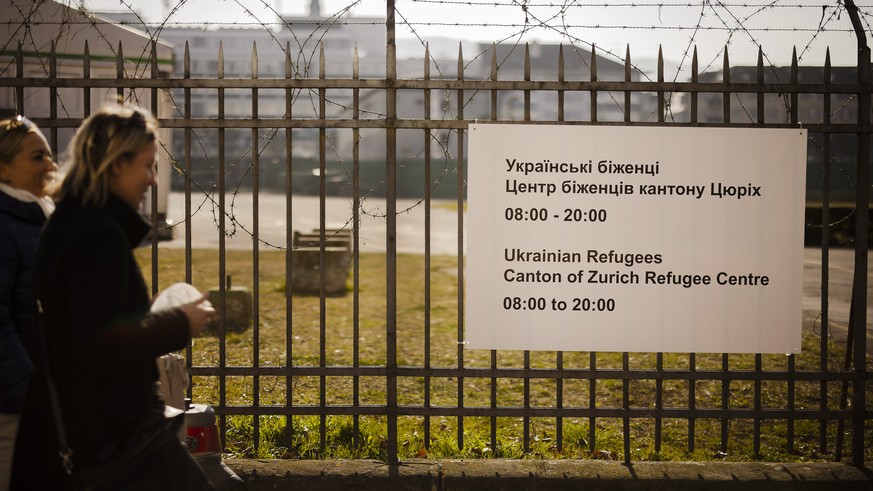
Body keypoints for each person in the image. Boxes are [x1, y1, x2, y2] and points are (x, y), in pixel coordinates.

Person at [10, 106, 216, 490]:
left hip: (96, 432)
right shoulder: (95, 234)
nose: (153, 180)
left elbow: (89, 318)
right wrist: (179, 321)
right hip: (112, 439)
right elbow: (101, 344)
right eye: (147, 166)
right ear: (116, 164)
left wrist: (145, 311)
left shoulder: (72, 220)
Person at [0, 115, 56, 491]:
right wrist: (28, 392)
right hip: (11, 411)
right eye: (37, 158)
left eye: (50, 156)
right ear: (3, 169)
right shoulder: (5, 227)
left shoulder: (37, 217)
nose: (50, 166)